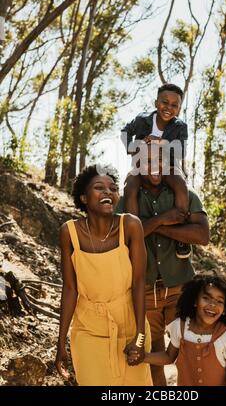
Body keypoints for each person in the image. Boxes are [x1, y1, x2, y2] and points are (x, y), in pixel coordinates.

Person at [116, 143, 210, 386]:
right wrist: (163, 220)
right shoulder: (128, 199)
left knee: (191, 351)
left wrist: (156, 226)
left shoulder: (186, 196)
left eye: (159, 160)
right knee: (154, 354)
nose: (154, 166)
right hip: (144, 292)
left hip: (180, 288)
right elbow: (124, 237)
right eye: (146, 161)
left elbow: (202, 236)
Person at [55, 164, 152, 386]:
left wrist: (139, 337)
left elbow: (139, 283)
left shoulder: (130, 226)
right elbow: (70, 289)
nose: (108, 191)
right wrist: (61, 342)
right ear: (84, 198)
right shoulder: (68, 232)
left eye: (113, 188)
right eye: (99, 187)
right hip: (89, 329)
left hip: (130, 327)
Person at [129, 273, 226, 386]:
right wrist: (144, 357)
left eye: (219, 301)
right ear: (195, 301)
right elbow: (169, 356)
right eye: (206, 298)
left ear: (225, 309)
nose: (212, 305)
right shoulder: (180, 327)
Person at [121, 84, 190, 259]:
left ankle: (182, 235)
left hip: (167, 167)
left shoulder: (180, 126)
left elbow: (181, 150)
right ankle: (135, 231)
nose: (169, 108)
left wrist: (161, 142)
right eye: (164, 102)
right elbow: (125, 132)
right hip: (142, 165)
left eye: (175, 105)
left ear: (179, 109)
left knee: (181, 184)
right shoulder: (142, 120)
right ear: (156, 102)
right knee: (130, 186)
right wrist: (135, 147)